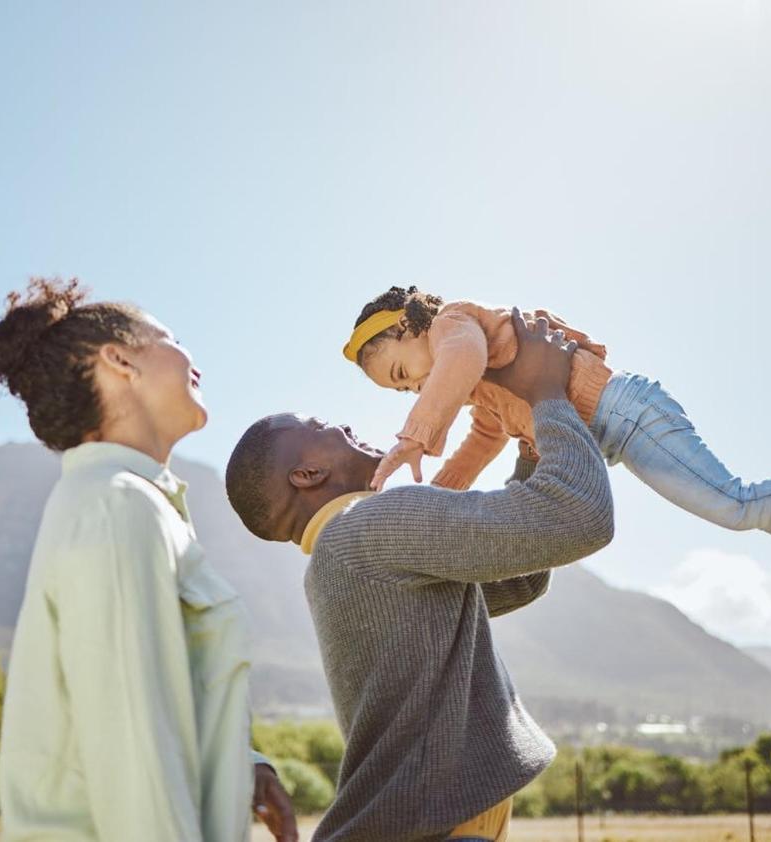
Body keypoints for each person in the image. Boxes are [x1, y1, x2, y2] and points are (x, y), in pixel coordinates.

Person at [341, 286, 771, 635]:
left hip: (628, 410)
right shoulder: (480, 395)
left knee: (735, 503)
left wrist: (415, 436)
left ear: (411, 326)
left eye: (401, 372)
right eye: (400, 390)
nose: (410, 389)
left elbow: (460, 357)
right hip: (618, 434)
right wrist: (425, 503)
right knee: (730, 502)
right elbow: (480, 444)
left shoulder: (455, 324)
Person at [226, 310, 615, 842]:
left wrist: (529, 437)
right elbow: (580, 517)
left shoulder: (342, 556)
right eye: (322, 429)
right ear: (307, 474)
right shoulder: (366, 527)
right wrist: (545, 391)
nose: (342, 425)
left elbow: (521, 579)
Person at [0, 278, 296, 842]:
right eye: (170, 338)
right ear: (120, 360)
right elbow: (134, 750)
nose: (190, 354)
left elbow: (159, 690)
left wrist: (240, 764)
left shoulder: (136, 503)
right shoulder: (116, 507)